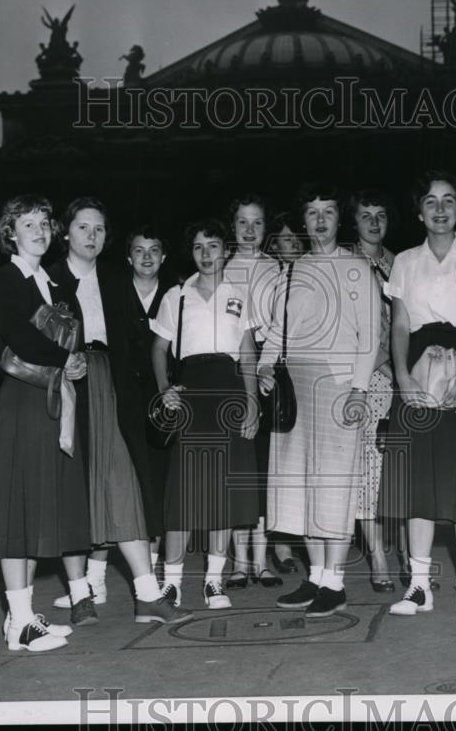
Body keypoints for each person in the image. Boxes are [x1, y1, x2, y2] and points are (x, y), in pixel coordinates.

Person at [47, 198, 192, 626]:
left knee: (122, 482)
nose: (91, 236)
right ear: (66, 232)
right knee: (72, 485)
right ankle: (80, 595)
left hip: (110, 385)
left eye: (99, 229)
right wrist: (59, 366)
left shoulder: (114, 281)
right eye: (83, 227)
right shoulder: (48, 280)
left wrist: (162, 389)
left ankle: (147, 594)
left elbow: (140, 346)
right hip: (66, 384)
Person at [258, 183, 380, 618]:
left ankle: (336, 581)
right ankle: (315, 576)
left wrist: (359, 390)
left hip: (339, 384)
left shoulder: (356, 268)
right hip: (296, 387)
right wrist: (264, 368)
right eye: (312, 213)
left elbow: (371, 336)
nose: (321, 220)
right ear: (304, 221)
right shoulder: (291, 270)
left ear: (338, 219)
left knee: (334, 483)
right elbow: (277, 328)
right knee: (300, 486)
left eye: (328, 211)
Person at [0, 194, 90, 652]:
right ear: (10, 232)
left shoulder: (53, 283)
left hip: (49, 400)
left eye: (45, 222)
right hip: (24, 401)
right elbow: (21, 337)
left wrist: (75, 362)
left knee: (34, 509)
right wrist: (66, 357)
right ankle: (21, 620)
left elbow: (68, 334)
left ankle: (19, 620)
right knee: (17, 512)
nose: (40, 230)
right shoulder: (6, 279)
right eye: (29, 224)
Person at [383, 173, 456, 617]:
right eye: (431, 201)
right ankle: (420, 585)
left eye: (449, 201)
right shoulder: (405, 261)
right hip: (418, 368)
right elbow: (401, 324)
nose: (440, 209)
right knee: (418, 478)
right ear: (420, 210)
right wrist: (403, 379)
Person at [152, 219, 260, 609]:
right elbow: (158, 348)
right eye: (198, 247)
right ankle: (173, 581)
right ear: (191, 253)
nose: (206, 254)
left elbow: (248, 352)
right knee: (183, 490)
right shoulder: (175, 297)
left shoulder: (240, 294)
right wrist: (166, 389)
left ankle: (214, 580)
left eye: (213, 246)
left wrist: (251, 402)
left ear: (225, 250)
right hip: (192, 392)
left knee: (222, 492)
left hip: (229, 390)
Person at [222, 196, 285, 590]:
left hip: (266, 370)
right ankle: (238, 562)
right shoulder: (219, 267)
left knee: (263, 470)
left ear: (266, 228)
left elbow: (282, 323)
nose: (249, 230)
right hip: (229, 371)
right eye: (242, 222)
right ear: (233, 226)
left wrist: (267, 364)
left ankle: (262, 561)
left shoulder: (277, 269)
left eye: (257, 223)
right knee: (236, 468)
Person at [346, 189, 398, 592]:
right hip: (365, 376)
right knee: (368, 465)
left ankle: (403, 551)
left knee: (393, 465)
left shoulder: (399, 263)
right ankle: (377, 555)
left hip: (402, 375)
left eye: (381, 214)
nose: (375, 222)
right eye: (367, 215)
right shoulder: (346, 263)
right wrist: (386, 365)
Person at [261, 211, 305, 575]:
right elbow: (273, 328)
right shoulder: (271, 280)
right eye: (282, 239)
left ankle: (309, 537)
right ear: (273, 245)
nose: (289, 245)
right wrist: (264, 366)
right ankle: (282, 542)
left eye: (295, 238)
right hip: (282, 375)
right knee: (283, 463)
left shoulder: (315, 274)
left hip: (314, 373)